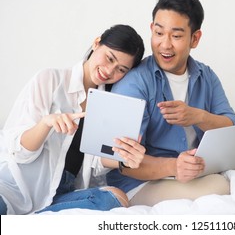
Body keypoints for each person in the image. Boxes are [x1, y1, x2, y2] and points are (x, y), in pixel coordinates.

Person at [106, 0, 235, 206]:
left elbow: (234, 127)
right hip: (143, 183)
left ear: (195, 38)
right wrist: (175, 166)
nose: (165, 44)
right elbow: (122, 158)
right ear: (152, 29)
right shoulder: (135, 82)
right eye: (159, 33)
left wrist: (198, 116)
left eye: (177, 36)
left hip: (201, 169)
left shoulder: (205, 75)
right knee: (218, 188)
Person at [0, 24, 146, 214]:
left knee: (115, 198)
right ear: (96, 43)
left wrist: (124, 159)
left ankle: (35, 219)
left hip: (62, 194)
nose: (110, 71)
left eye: (121, 69)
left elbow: (95, 162)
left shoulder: (108, 104)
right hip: (17, 189)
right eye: (109, 58)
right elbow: (18, 152)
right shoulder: (50, 80)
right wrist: (46, 124)